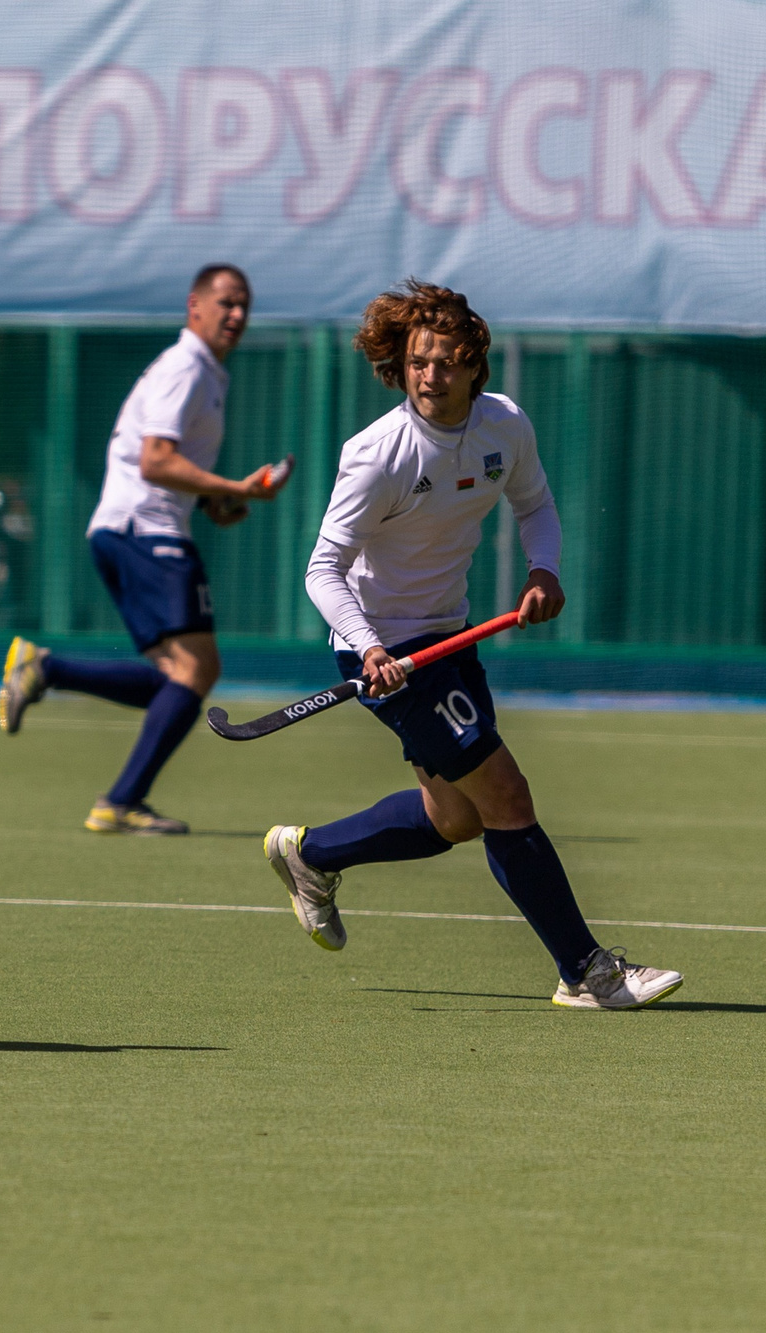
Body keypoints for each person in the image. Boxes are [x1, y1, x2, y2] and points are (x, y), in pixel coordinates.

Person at [260, 279, 682, 1011]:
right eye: (419, 361)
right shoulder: (377, 454)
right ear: (402, 364)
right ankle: (586, 970)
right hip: (383, 647)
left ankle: (310, 853)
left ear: (474, 368)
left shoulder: (505, 427)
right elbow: (321, 571)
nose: (431, 375)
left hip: (448, 639)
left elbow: (535, 503)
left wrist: (543, 569)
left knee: (456, 817)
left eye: (448, 362)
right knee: (505, 793)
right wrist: (367, 648)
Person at [0, 263, 291, 834]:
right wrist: (231, 488)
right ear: (194, 306)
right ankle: (119, 800)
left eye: (244, 306)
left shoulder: (204, 372)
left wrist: (213, 503)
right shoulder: (187, 367)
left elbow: (157, 462)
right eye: (226, 302)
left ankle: (46, 670)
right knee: (198, 668)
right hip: (143, 529)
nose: (237, 315)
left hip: (132, 527)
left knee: (181, 678)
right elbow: (154, 459)